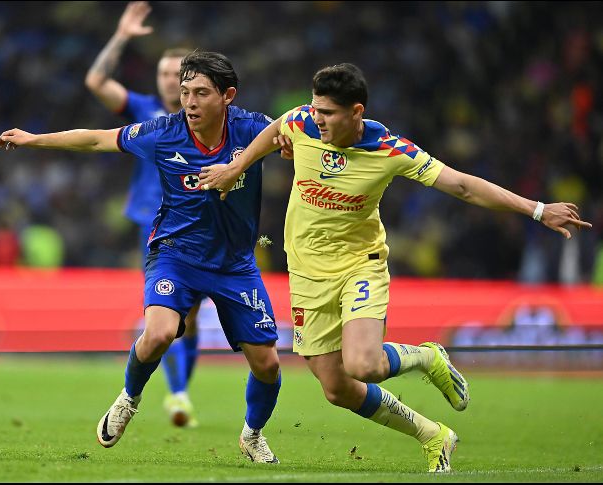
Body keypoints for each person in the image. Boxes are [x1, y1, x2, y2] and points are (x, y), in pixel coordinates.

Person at [198, 62, 593, 473]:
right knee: (335, 388)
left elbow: (460, 185)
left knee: (364, 365)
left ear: (357, 111)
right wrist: (235, 167)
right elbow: (275, 128)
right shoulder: (302, 122)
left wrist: (537, 209)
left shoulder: (390, 149)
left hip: (359, 266)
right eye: (315, 110)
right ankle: (432, 434)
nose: (317, 119)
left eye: (328, 113)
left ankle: (425, 357)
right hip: (306, 271)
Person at [0, 50, 287, 463]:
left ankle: (252, 434)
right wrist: (33, 139)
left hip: (235, 264)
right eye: (185, 92)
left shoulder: (252, 128)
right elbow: (98, 138)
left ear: (228, 96)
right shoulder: (163, 131)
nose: (189, 102)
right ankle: (129, 399)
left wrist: (276, 150)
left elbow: (298, 124)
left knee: (268, 365)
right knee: (159, 334)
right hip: (175, 255)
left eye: (201, 93)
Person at [84, 1, 200, 428]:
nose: (169, 81)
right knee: (169, 311)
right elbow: (95, 80)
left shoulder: (211, 118)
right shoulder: (145, 111)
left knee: (192, 316)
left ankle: (180, 390)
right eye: (164, 74)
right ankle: (179, 394)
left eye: (177, 74)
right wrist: (121, 36)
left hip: (204, 224)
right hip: (155, 225)